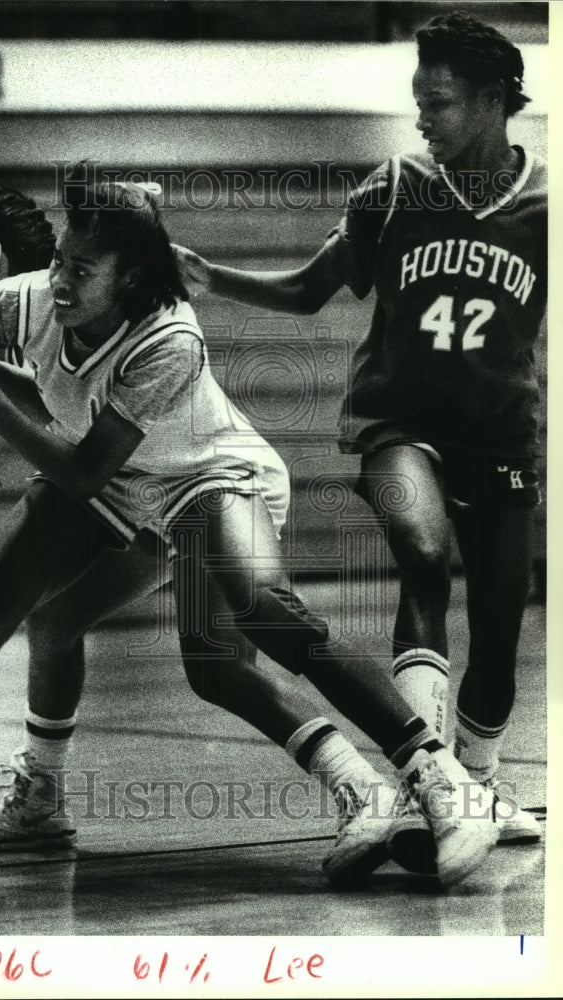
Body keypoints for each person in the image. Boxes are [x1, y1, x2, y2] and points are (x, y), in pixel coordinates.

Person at [0, 168, 502, 906]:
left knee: (257, 617)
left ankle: (436, 779)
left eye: (81, 269)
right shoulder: (19, 303)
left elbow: (81, 472)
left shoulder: (170, 339)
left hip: (206, 477)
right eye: (58, 259)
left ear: (130, 278)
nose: (57, 279)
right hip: (120, 483)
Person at [171, 11, 546, 868]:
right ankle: (431, 778)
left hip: (501, 432)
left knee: (498, 618)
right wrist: (213, 274)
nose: (421, 116)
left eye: (439, 102)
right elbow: (311, 290)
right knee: (419, 551)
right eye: (417, 100)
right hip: (398, 422)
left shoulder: (544, 206)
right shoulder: (392, 189)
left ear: (492, 101)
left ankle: (478, 779)